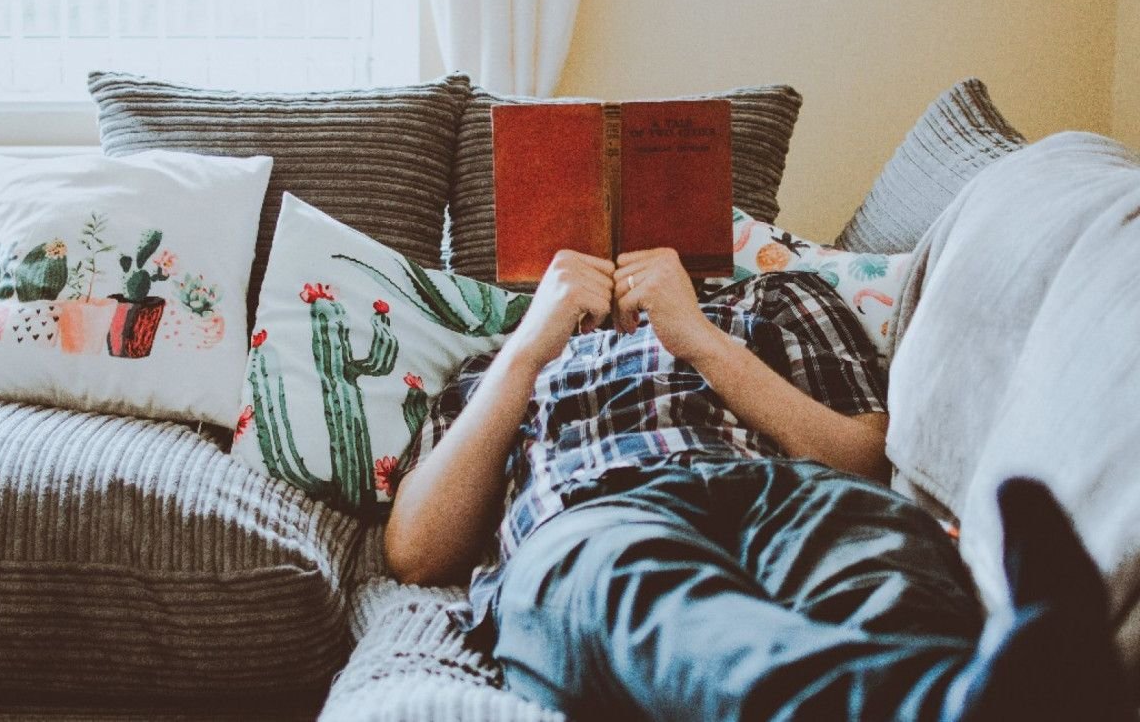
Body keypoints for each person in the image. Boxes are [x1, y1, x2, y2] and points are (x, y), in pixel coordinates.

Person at [384, 248, 1128, 721]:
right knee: (647, 594)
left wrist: (699, 339)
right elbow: (417, 554)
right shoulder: (489, 370)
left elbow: (867, 462)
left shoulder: (777, 299)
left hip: (787, 493)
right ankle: (965, 702)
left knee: (878, 566)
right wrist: (524, 352)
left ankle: (978, 692)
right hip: (593, 515)